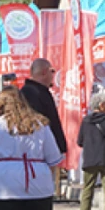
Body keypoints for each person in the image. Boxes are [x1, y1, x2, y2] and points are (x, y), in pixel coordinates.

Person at [21, 58, 68, 196]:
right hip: (37, 151)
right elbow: (43, 122)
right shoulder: (33, 93)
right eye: (51, 71)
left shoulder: (38, 91)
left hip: (43, 149)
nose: (53, 75)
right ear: (43, 72)